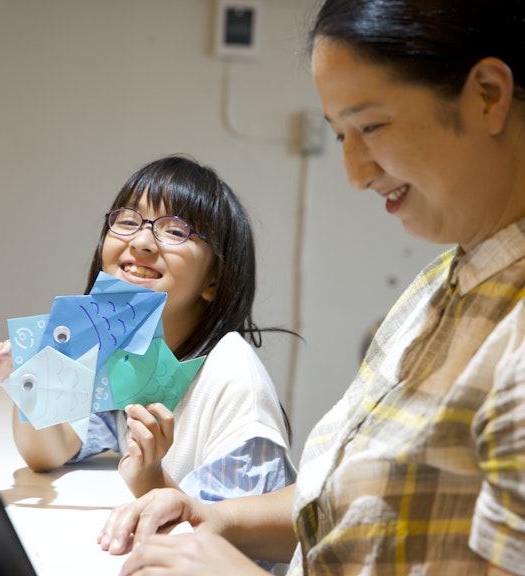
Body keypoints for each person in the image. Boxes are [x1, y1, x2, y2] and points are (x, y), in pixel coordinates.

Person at [97, 1, 525, 575]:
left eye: (371, 126)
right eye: (340, 134)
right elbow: (344, 507)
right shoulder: (439, 283)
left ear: (489, 96)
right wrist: (211, 518)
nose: (355, 173)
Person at [0, 156, 295, 513]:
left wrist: (149, 478)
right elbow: (50, 453)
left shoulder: (234, 379)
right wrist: (28, 383)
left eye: (175, 231)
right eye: (127, 221)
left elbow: (236, 545)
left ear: (213, 281)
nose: (142, 241)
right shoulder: (124, 353)